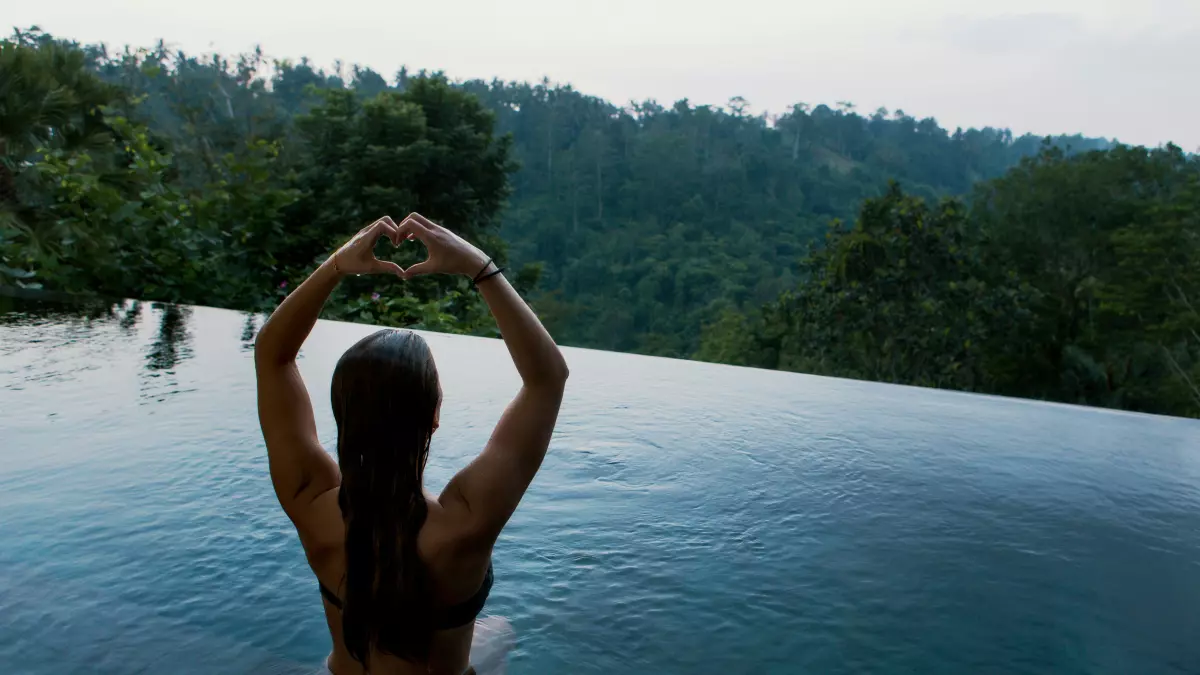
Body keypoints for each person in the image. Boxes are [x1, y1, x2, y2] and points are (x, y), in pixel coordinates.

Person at [254, 213, 568, 675]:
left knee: (494, 633)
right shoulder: (465, 522)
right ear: (434, 417)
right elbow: (547, 379)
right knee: (501, 630)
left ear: (343, 416)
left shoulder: (309, 501)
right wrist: (480, 268)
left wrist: (337, 265)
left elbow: (271, 355)